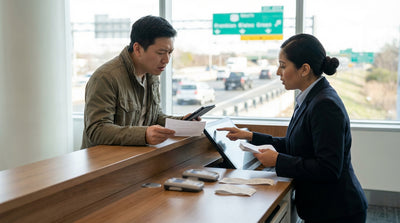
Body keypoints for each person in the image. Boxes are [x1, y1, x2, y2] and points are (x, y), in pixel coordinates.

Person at [218, 34, 368, 222]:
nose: (277, 72)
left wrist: (278, 160)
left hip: (337, 211)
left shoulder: (324, 105)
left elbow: (328, 168)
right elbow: (296, 143)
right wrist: (250, 136)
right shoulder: (311, 97)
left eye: (283, 66)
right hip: (323, 207)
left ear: (304, 69)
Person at [81, 15, 195, 149]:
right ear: (137, 49)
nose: (167, 59)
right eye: (161, 53)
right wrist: (144, 134)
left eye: (170, 52)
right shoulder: (106, 77)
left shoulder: (151, 74)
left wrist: (182, 122)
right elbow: (97, 130)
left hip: (134, 159)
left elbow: (154, 117)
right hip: (104, 164)